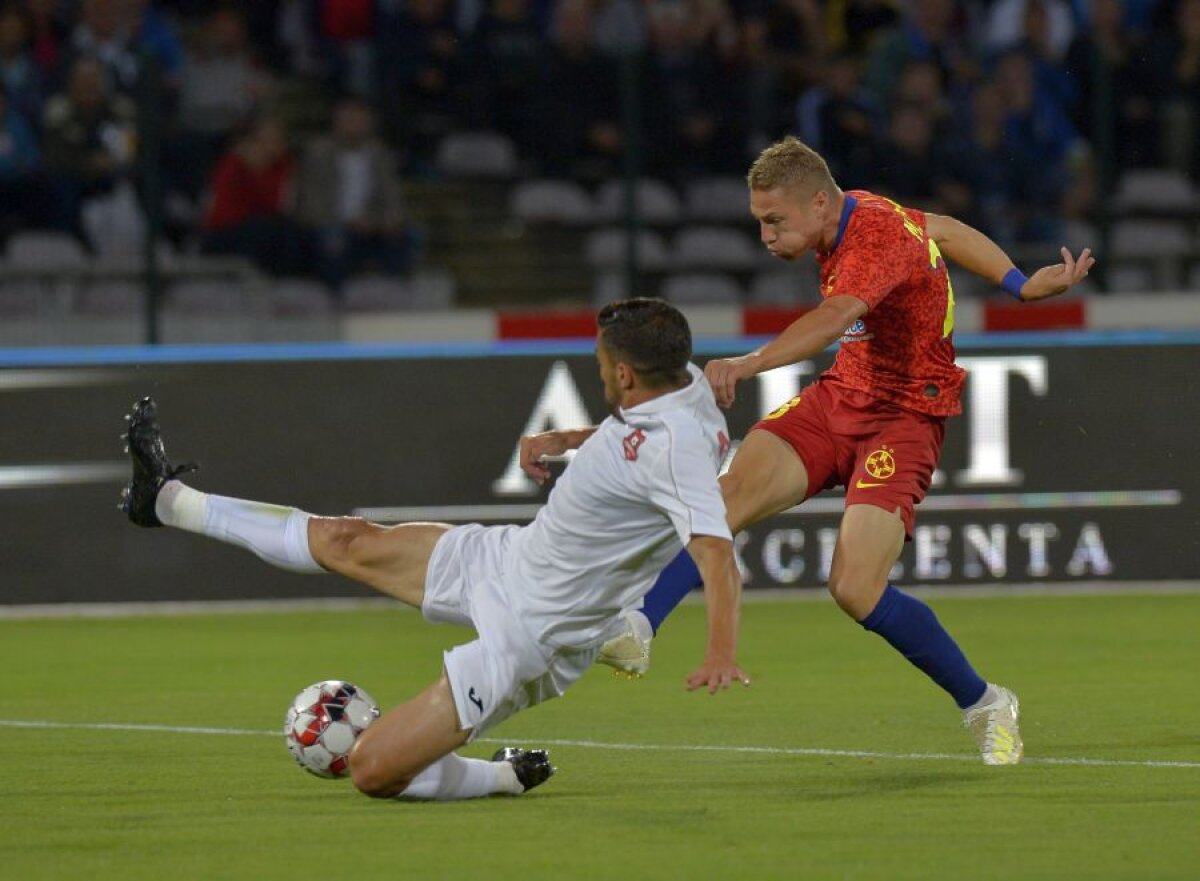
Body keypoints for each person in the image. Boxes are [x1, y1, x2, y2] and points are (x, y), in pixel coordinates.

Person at [567, 136, 1093, 766]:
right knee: (723, 498)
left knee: (854, 587)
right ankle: (639, 628)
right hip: (840, 398)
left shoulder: (873, 238)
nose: (764, 235)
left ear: (819, 203)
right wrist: (1017, 281)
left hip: (904, 419)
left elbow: (833, 315)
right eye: (759, 220)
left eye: (773, 220)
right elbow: (944, 230)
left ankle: (985, 702)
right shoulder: (860, 212)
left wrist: (752, 361)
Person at [119, 298, 749, 801]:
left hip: (530, 638)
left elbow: (715, 552)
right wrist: (570, 437)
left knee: (371, 770)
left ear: (624, 374)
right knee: (347, 539)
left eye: (599, 362)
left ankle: (500, 776)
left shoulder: (678, 449)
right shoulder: (681, 384)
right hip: (509, 558)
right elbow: (631, 438)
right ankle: (169, 502)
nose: (598, 368)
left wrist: (720, 651)